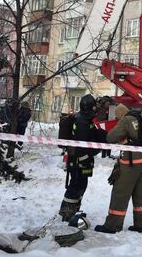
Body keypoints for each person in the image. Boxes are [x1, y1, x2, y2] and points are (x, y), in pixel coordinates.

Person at [94, 104, 142, 234]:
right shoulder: (139, 118)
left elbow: (111, 137)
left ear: (120, 114)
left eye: (117, 116)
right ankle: (140, 224)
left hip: (132, 162)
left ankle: (112, 225)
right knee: (140, 192)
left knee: (120, 192)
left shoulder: (126, 120)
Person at [59, 94, 106, 222]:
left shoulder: (86, 119)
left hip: (83, 159)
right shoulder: (81, 121)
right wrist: (85, 159)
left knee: (81, 184)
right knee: (75, 184)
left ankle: (74, 210)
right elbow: (81, 144)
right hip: (78, 160)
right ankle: (67, 212)